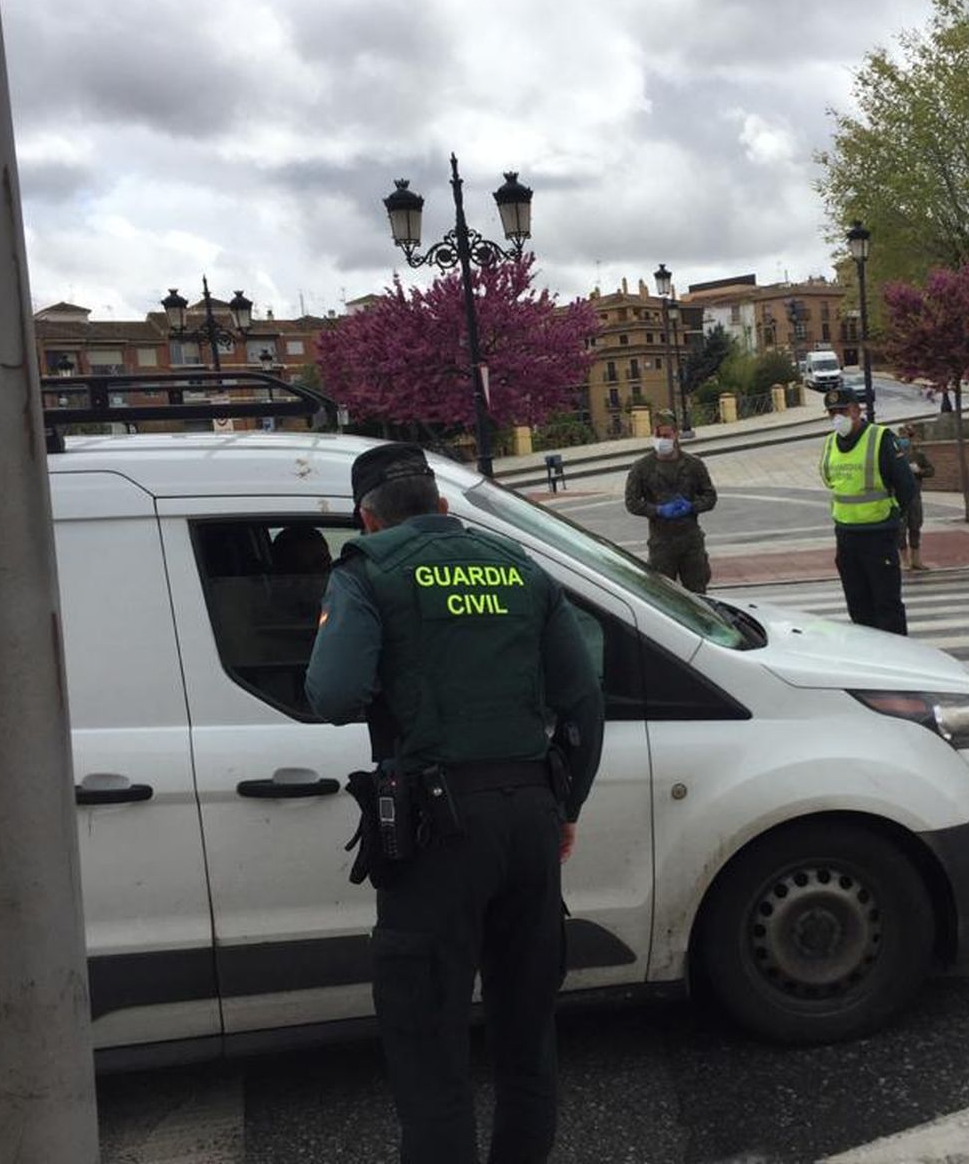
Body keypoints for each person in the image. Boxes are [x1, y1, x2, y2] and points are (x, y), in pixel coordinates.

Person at [304, 443, 605, 1164]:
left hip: (434, 832)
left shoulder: (367, 570)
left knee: (429, 1044)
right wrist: (568, 808)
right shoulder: (519, 569)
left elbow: (332, 694)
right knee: (527, 1036)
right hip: (531, 817)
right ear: (442, 507)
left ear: (366, 518)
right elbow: (583, 699)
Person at [819, 388, 917, 634]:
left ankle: (898, 660)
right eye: (832, 412)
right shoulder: (831, 442)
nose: (837, 417)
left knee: (886, 604)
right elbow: (829, 479)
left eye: (842, 411)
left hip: (878, 535)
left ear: (857, 410)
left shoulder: (880, 438)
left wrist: (892, 515)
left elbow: (906, 485)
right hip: (846, 535)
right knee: (858, 606)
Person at [623, 411, 717, 592]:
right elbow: (631, 502)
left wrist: (692, 506)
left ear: (676, 435)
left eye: (666, 435)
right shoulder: (642, 467)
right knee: (663, 595)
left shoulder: (693, 465)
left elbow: (710, 497)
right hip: (661, 543)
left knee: (698, 593)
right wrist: (658, 510)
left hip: (691, 541)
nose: (662, 440)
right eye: (658, 435)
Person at [894, 422, 936, 572]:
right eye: (901, 436)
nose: (904, 439)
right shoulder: (894, 454)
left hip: (915, 496)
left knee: (915, 526)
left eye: (907, 436)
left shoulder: (918, 454)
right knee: (900, 529)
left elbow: (931, 471)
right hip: (899, 497)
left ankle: (916, 559)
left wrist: (918, 471)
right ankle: (903, 561)